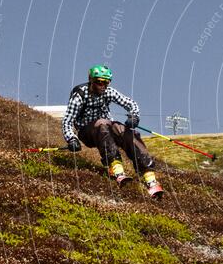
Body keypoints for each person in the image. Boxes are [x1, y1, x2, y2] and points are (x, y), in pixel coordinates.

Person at [61, 65, 163, 198]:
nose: (102, 86)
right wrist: (71, 138)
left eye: (106, 82)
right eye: (99, 82)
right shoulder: (80, 95)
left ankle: (150, 177)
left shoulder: (109, 92)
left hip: (106, 127)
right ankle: (116, 169)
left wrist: (134, 116)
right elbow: (67, 121)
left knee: (125, 131)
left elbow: (131, 103)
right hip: (87, 131)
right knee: (102, 124)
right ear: (91, 80)